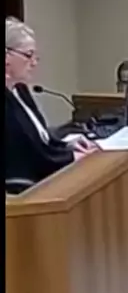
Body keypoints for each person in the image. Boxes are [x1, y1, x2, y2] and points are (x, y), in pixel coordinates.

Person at [5, 17, 95, 189]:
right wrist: (70, 158)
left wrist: (66, 145)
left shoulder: (20, 90)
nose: (34, 63)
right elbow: (25, 157)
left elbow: (40, 140)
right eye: (28, 55)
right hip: (27, 188)